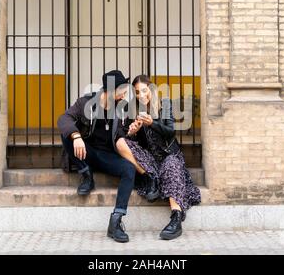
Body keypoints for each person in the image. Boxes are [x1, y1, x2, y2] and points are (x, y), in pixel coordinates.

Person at [116, 75, 201, 240]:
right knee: (122, 142)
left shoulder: (165, 105)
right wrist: (132, 133)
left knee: (171, 165)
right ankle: (151, 179)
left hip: (169, 156)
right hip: (151, 162)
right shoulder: (135, 110)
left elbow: (171, 132)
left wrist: (152, 123)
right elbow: (137, 145)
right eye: (137, 92)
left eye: (144, 90)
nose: (141, 95)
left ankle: (176, 219)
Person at [57, 70, 135, 243]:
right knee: (67, 135)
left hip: (108, 156)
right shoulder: (86, 102)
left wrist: (131, 131)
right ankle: (86, 175)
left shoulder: (123, 107)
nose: (124, 93)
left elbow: (125, 134)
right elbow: (64, 119)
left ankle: (116, 221)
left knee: (129, 169)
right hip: (87, 152)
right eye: (121, 89)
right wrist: (76, 136)